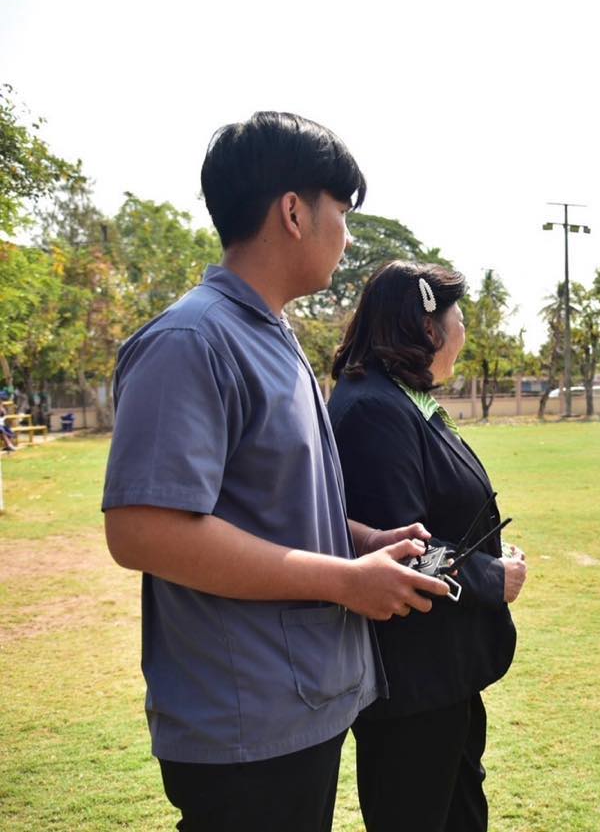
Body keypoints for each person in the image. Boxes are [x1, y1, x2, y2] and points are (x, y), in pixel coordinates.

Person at [102, 112, 451, 832]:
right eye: (342, 213)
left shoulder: (271, 334)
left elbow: (272, 503)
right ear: (294, 212)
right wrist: (344, 580)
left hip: (297, 703)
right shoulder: (192, 340)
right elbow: (143, 530)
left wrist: (361, 541)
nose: (346, 236)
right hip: (244, 720)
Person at [327, 261, 528, 831]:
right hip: (414, 682)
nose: (464, 331)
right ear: (427, 326)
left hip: (442, 673)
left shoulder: (398, 399)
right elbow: (405, 549)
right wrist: (492, 577)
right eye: (458, 317)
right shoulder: (373, 409)